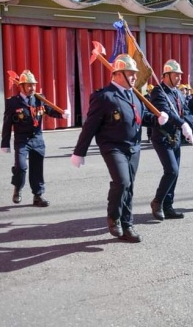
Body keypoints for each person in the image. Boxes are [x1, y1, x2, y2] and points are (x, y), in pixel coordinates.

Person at [70, 55, 168, 243]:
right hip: (113, 146)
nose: (134, 77)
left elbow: (142, 118)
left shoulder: (135, 95)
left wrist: (158, 119)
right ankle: (113, 216)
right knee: (122, 181)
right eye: (130, 74)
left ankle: (127, 225)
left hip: (134, 147)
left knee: (129, 186)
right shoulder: (104, 96)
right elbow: (90, 126)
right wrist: (79, 152)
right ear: (118, 74)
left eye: (134, 74)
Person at [1, 70, 69, 206]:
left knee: (37, 168)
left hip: (37, 138)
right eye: (29, 85)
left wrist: (62, 115)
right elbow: (7, 123)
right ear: (21, 87)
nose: (32, 88)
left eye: (33, 85)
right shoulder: (13, 102)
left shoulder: (39, 99)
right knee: (21, 166)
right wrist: (5, 143)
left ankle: (38, 196)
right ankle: (18, 188)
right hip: (22, 139)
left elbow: (49, 110)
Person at [149, 59, 193, 221]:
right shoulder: (158, 92)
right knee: (171, 170)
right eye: (176, 75)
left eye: (180, 75)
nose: (180, 78)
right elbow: (167, 112)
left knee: (175, 173)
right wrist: (182, 124)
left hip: (176, 138)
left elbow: (185, 111)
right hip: (163, 137)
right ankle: (157, 201)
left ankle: (168, 206)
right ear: (166, 75)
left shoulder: (178, 93)